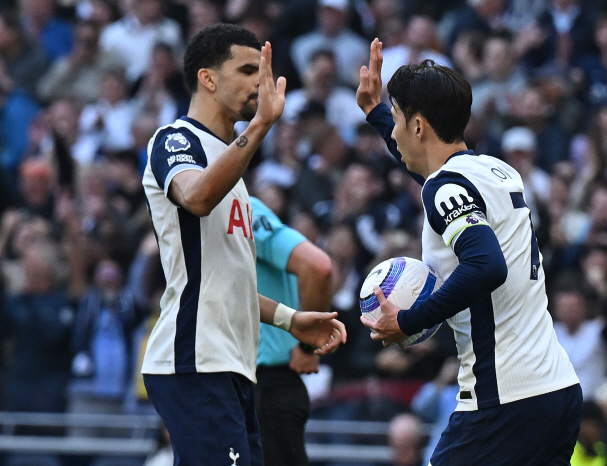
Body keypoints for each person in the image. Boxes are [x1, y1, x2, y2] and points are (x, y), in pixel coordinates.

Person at [356, 39, 581, 465]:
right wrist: (377, 112)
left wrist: (407, 321)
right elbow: (421, 161)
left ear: (419, 126)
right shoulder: (496, 171)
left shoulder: (445, 188)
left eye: (400, 119)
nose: (397, 131)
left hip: (504, 398)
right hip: (556, 389)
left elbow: (485, 265)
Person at [140, 24, 346, 466]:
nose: (260, 81)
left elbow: (229, 282)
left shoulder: (232, 167)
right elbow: (195, 197)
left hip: (231, 363)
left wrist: (291, 320)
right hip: (194, 359)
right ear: (208, 78)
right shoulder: (176, 140)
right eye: (248, 69)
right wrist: (261, 124)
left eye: (264, 69)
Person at [250, 195, 333, 466]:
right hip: (243, 385)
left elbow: (318, 267)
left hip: (268, 386)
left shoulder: (241, 209)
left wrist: (309, 345)